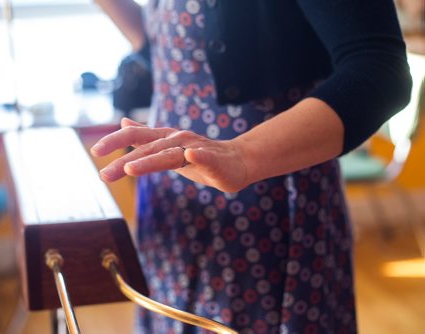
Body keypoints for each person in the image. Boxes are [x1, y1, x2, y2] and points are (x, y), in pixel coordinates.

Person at [91, 0, 412, 333]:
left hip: (264, 198)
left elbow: (379, 69)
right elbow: (167, 45)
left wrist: (241, 155)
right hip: (172, 197)